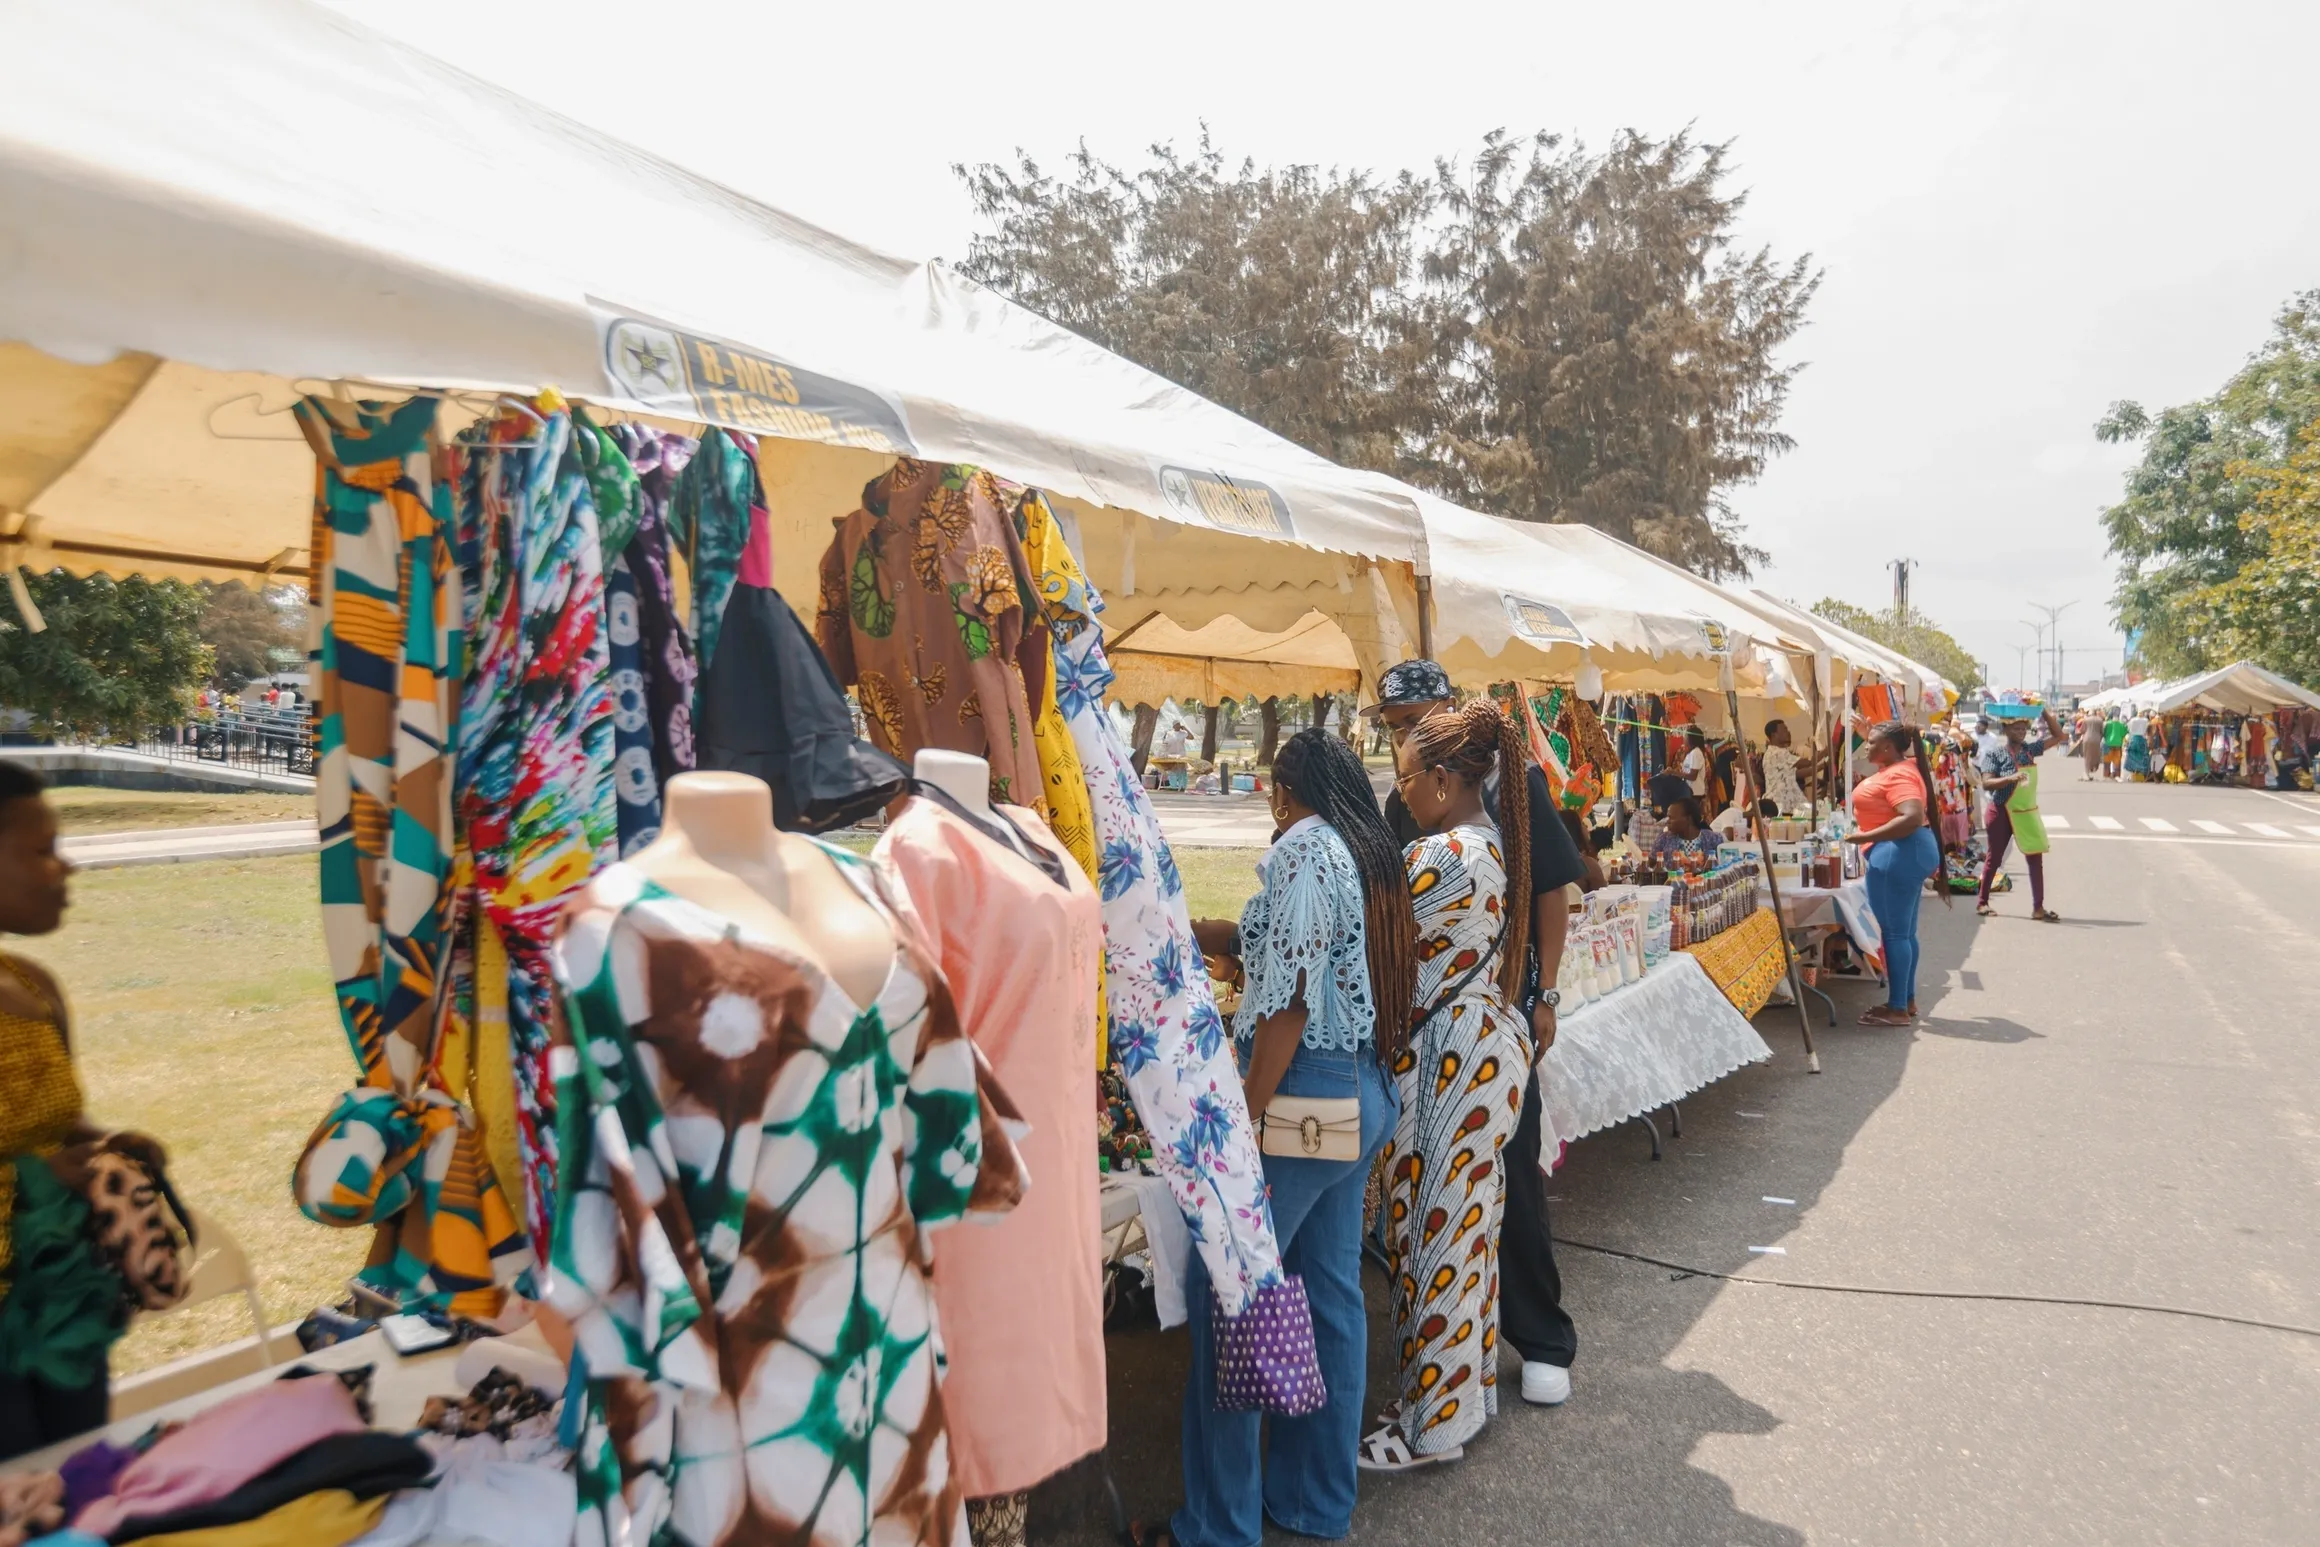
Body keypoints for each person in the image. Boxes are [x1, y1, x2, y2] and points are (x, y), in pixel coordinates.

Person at [1169, 729, 1412, 1547]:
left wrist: (1244, 1103)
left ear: (1281, 788)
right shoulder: (1353, 849)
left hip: (1305, 1097)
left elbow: (1293, 999)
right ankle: (1312, 1499)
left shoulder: (1306, 849)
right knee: (1331, 1296)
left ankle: (1218, 1524)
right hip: (1351, 1095)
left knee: (1231, 1291)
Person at [1366, 664, 1589, 1416]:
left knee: (1508, 1181)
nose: (1399, 736)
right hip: (1434, 1021)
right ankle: (1466, 1353)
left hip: (1494, 1006)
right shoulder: (1413, 800)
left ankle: (1542, 1339)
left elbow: (1553, 888)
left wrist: (1545, 993)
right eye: (1391, 723)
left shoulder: (1503, 789)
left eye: (1410, 720)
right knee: (1454, 1201)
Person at [1361, 698, 1534, 1472]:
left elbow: (1359, 929)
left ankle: (1433, 1429)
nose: (1398, 794)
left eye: (1403, 779)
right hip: (1473, 1056)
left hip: (1448, 1065)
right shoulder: (1483, 845)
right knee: (1464, 1237)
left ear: (1439, 778)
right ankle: (1461, 1400)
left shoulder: (1446, 857)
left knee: (1433, 1242)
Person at [1, 765, 108, 1460]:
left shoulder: (35, 987)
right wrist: (43, 1175)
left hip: (62, 1302)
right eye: (41, 850)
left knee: (80, 1488)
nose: (64, 866)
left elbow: (52, 1123)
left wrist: (104, 1146)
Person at [1847, 722, 1947, 1027]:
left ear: (1889, 748)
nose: (1866, 747)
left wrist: (1864, 837)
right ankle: (1906, 999)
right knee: (1903, 933)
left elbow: (1912, 816)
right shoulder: (1901, 764)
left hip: (1898, 854)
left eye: (1872, 743)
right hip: (1907, 852)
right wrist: (1872, 736)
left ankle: (1898, 1007)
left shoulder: (1899, 774)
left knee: (1894, 934)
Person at [1977, 710, 2060, 921]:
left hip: (2025, 811)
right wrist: (2011, 778)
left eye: (2024, 728)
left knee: (2035, 856)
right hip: (2001, 810)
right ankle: (1982, 902)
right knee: (1994, 858)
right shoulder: (1995, 754)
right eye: (2017, 728)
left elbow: (2060, 737)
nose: (2022, 732)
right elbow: (1986, 782)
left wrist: (2043, 712)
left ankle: (2038, 908)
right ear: (2005, 729)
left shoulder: (2030, 750)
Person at [1654, 793, 1722, 863]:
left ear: (1688, 819)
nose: (1667, 821)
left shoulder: (1713, 839)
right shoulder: (1663, 839)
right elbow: (1650, 866)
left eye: (1671, 818)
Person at [1761, 719, 1810, 812]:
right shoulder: (1777, 753)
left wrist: (1822, 766)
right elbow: (1807, 763)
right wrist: (1826, 752)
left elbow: (1796, 773)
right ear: (1774, 735)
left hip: (1785, 804)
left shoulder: (1778, 753)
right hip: (1781, 805)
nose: (1788, 732)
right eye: (1784, 730)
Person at [1681, 725, 1711, 800]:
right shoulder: (1691, 753)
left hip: (1694, 793)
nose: (1684, 738)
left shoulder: (1696, 753)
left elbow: (1692, 776)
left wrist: (1674, 773)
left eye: (1686, 736)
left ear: (1691, 739)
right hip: (1690, 792)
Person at [2123, 709, 2152, 780]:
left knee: (2132, 756)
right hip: (2142, 739)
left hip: (2134, 739)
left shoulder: (2133, 720)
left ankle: (2134, 772)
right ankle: (2139, 772)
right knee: (2141, 756)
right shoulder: (2146, 720)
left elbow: (2129, 729)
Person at [2101, 709, 2128, 779]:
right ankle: (2117, 776)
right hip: (2118, 744)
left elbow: (2103, 733)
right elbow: (2124, 733)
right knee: (2117, 761)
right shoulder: (2121, 724)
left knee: (2107, 762)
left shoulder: (2107, 723)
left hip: (2108, 744)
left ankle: (2106, 775)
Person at [2078, 710, 2103, 780]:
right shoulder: (2100, 720)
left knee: (2087, 756)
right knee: (2095, 755)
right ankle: (2092, 769)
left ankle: (2086, 773)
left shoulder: (2086, 720)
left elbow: (2082, 730)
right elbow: (2102, 731)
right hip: (2097, 740)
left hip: (2087, 739)